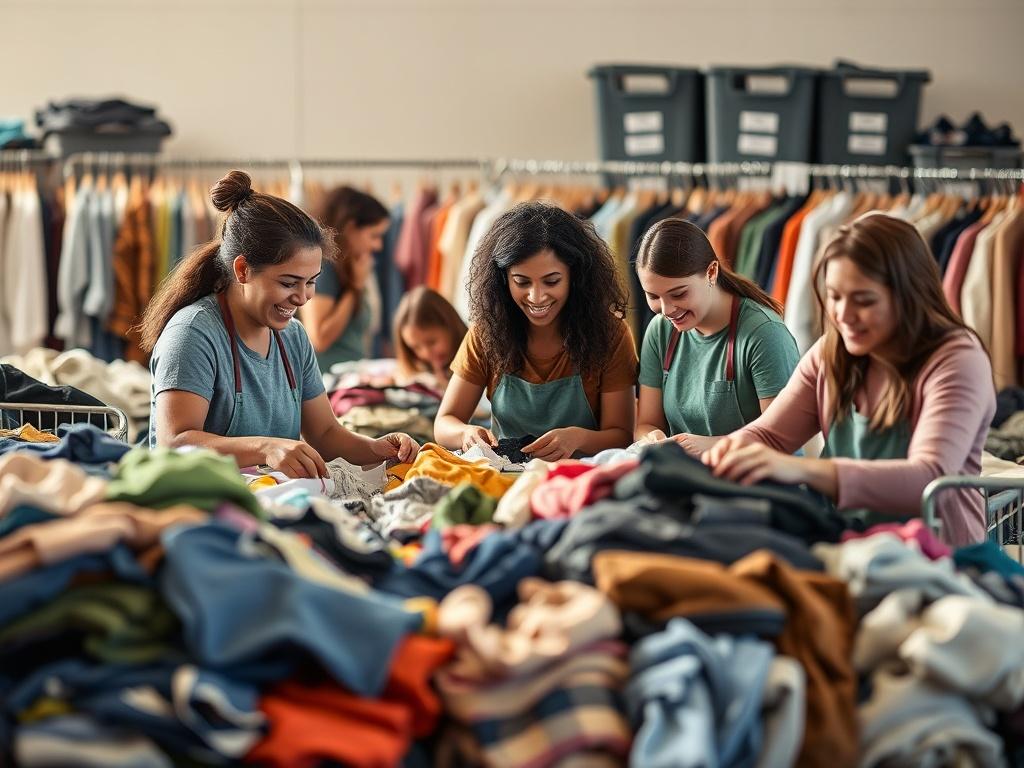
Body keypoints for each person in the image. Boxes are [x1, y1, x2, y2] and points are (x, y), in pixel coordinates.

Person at [703, 213, 995, 546]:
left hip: (940, 559)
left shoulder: (956, 360)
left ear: (909, 294)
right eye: (835, 297)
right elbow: (770, 434)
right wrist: (728, 453)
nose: (843, 315)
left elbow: (928, 479)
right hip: (849, 548)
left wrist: (803, 470)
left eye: (863, 300)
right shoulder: (833, 351)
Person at [141, 171, 418, 479]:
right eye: (289, 283)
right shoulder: (193, 334)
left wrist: (377, 448)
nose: (302, 298)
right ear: (243, 270)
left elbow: (325, 433)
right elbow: (174, 443)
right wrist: (265, 448)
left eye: (311, 282)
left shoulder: (294, 338)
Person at [434, 202, 638, 461]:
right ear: (502, 279)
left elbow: (621, 436)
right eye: (522, 282)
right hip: (505, 477)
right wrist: (464, 433)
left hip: (579, 477)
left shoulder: (610, 334)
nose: (536, 296)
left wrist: (578, 437)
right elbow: (445, 422)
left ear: (575, 276)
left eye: (552, 281)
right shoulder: (486, 333)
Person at [634, 218, 800, 456]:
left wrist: (711, 446)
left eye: (678, 294)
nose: (667, 309)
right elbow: (645, 424)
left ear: (711, 272)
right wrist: (652, 438)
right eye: (653, 296)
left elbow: (783, 438)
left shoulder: (764, 334)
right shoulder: (660, 331)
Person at [301, 186, 390, 371]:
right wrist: (355, 288)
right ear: (350, 229)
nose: (378, 246)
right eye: (374, 236)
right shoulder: (324, 268)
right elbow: (319, 338)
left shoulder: (353, 268)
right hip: (328, 386)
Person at [393, 286, 467, 390]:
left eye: (431, 342)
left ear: (451, 326)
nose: (426, 353)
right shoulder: (423, 367)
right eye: (415, 347)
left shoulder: (476, 356)